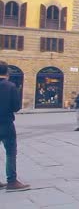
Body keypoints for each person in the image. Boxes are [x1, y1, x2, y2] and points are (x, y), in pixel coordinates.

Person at [0, 61, 29, 191]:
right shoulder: (10, 86)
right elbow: (16, 107)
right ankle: (11, 181)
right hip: (6, 123)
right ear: (7, 73)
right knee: (10, 152)